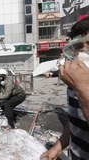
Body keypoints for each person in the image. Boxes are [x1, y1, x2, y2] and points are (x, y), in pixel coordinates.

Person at [40, 16, 89, 160]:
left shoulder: (80, 84)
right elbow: (77, 121)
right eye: (76, 48)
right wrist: (58, 147)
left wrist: (83, 87)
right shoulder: (76, 81)